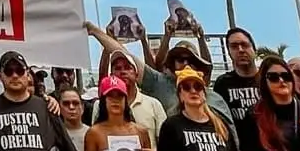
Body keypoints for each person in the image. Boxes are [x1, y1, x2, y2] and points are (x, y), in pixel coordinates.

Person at [86, 21, 234, 124]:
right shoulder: (161, 84)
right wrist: (94, 31)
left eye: (192, 61)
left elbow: (231, 138)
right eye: (180, 59)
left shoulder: (216, 100)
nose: (186, 64)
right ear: (172, 65)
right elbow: (126, 56)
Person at [157, 68, 244, 151]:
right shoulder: (171, 125)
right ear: (180, 96)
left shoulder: (221, 124)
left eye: (197, 87)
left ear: (204, 94)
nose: (193, 91)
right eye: (187, 87)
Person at [84, 76, 158, 151]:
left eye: (120, 96)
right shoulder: (94, 133)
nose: (115, 100)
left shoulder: (140, 131)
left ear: (126, 100)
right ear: (104, 100)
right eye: (111, 96)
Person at [93, 50, 166, 148]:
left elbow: (165, 142)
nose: (123, 72)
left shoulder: (154, 104)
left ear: (136, 75)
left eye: (128, 68)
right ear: (111, 75)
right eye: (118, 68)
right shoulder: (99, 105)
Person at [212, 27, 261, 130]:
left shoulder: (269, 78)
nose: (240, 50)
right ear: (229, 52)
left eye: (244, 45)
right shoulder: (223, 83)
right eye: (234, 46)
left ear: (254, 49)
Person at [58, 87, 89, 151]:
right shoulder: (54, 134)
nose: (71, 107)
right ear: (59, 107)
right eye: (66, 104)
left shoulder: (92, 133)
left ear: (82, 107)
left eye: (75, 103)